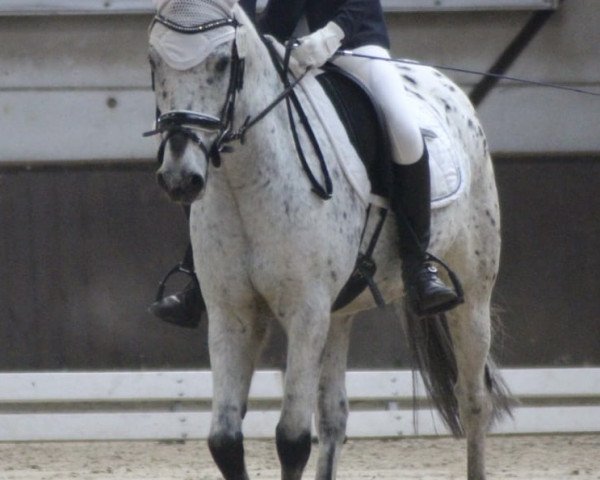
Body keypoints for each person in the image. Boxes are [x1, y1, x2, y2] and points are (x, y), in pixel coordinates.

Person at [150, 0, 461, 325]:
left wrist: (331, 34)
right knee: (202, 137)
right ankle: (200, 276)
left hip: (350, 45)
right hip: (272, 56)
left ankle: (417, 265)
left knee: (405, 131)